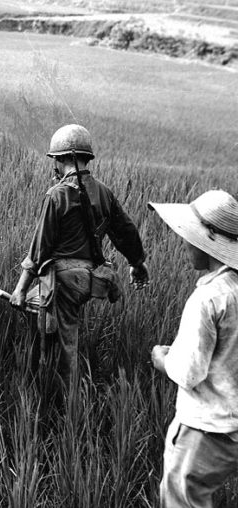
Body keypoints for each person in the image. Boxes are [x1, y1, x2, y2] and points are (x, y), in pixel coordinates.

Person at [9, 124, 149, 384]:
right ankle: (40, 377)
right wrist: (137, 263)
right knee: (38, 312)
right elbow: (126, 231)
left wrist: (19, 288)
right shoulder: (104, 192)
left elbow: (40, 248)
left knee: (66, 347)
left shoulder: (57, 194)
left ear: (63, 159)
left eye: (56, 160)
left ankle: (67, 404)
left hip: (64, 281)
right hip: (89, 280)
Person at [150, 190, 238, 508]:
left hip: (205, 428)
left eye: (188, 236)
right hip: (234, 426)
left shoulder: (208, 298)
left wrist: (163, 359)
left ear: (209, 241)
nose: (184, 243)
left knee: (182, 500)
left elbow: (189, 372)